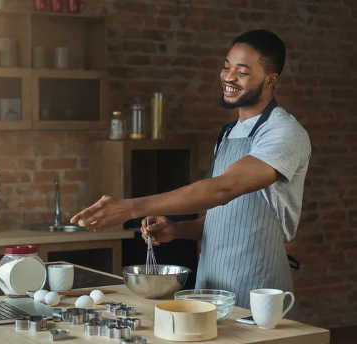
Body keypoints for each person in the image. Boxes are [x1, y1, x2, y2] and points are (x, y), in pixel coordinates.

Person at [70, 29, 311, 308]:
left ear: (271, 79)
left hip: (258, 285)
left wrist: (131, 208)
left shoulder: (283, 132)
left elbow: (224, 188)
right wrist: (179, 229)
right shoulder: (229, 133)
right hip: (211, 285)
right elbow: (224, 220)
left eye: (242, 72)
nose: (228, 77)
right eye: (226, 67)